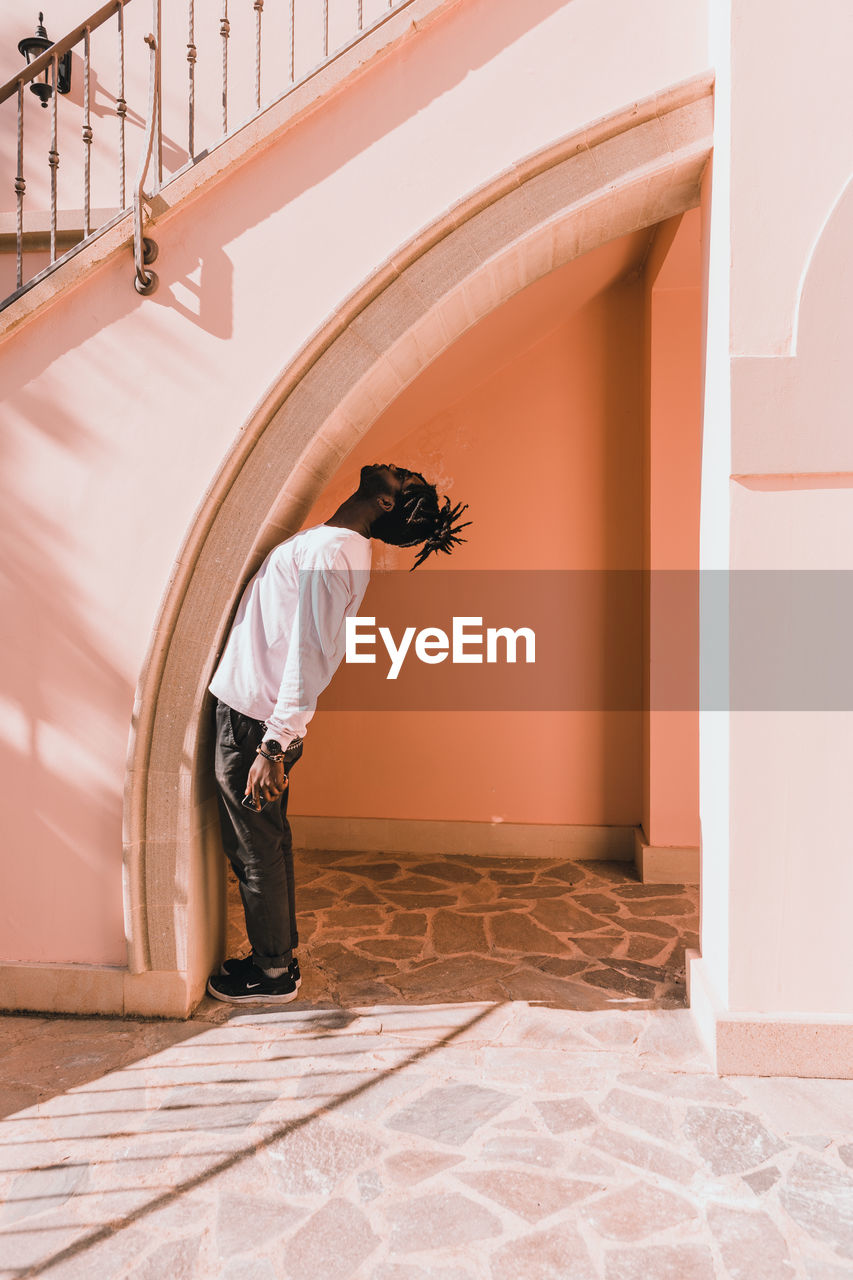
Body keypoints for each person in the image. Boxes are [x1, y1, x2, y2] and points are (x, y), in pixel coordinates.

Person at [206, 463, 470, 1003]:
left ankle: (272, 973)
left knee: (255, 848)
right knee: (269, 842)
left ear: (387, 504)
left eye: (404, 480)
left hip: (257, 721)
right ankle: (279, 961)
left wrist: (273, 745)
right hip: (262, 716)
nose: (401, 470)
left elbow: (312, 652)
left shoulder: (332, 553)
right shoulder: (336, 545)